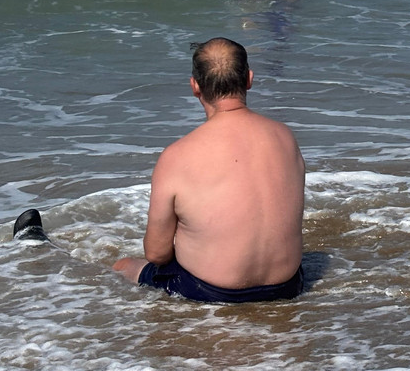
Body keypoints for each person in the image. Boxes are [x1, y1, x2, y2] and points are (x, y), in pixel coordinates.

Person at [113, 37, 306, 303]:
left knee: (123, 266)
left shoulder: (177, 155)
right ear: (249, 79)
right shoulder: (285, 137)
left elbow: (157, 254)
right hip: (287, 286)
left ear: (195, 87)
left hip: (212, 291)